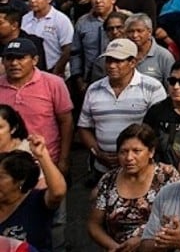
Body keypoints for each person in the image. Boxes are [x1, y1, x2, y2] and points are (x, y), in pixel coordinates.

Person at [79, 38, 167, 177]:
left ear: (132, 62)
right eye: (109, 60)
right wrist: (98, 154)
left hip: (141, 171)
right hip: (103, 169)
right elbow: (84, 127)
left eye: (118, 61)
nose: (112, 66)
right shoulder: (94, 89)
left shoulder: (152, 87)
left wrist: (131, 155)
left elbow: (160, 130)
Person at [87, 123, 180, 251]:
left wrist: (143, 240)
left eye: (136, 151)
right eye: (123, 152)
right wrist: (115, 247)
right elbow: (94, 224)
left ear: (151, 152)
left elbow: (176, 220)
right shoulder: (109, 179)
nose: (129, 158)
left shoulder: (167, 176)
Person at [0, 38, 72, 172]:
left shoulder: (53, 83)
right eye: (9, 58)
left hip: (46, 161)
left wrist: (64, 158)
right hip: (6, 165)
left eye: (20, 58)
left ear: (35, 60)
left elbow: (66, 122)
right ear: (3, 61)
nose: (14, 63)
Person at [0, 135, 65, 252]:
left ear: (20, 180)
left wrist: (42, 155)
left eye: (1, 177)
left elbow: (58, 193)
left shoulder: (35, 201)